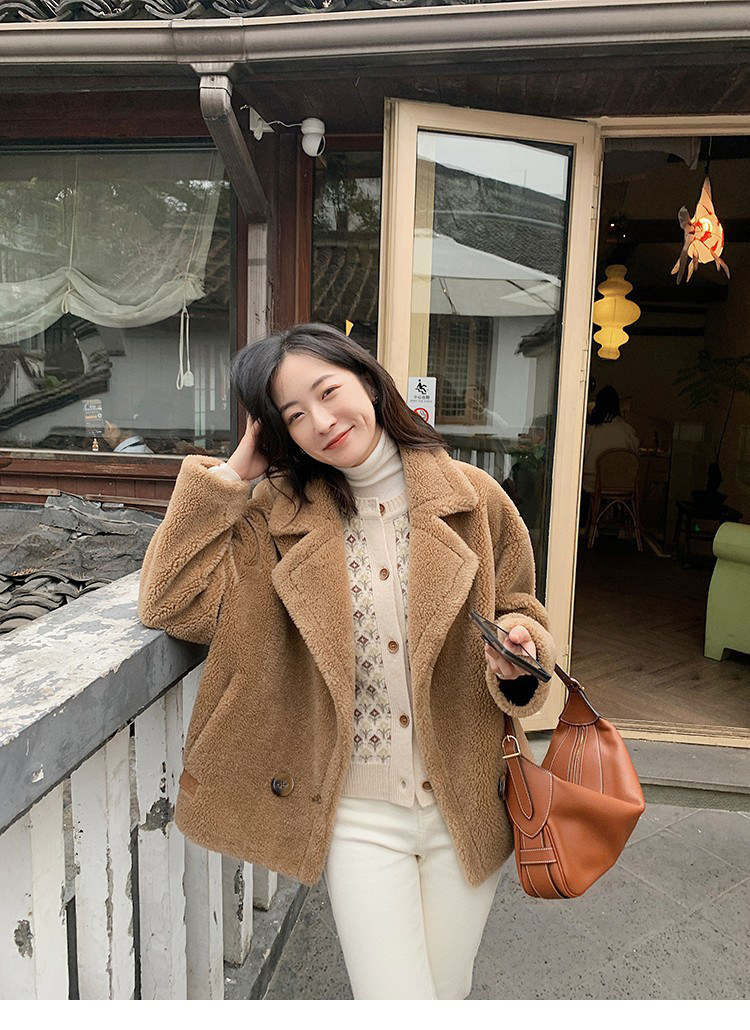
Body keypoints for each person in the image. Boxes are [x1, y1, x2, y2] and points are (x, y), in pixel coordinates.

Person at [138, 322, 557, 1000]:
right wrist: (231, 476)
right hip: (358, 815)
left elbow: (519, 605)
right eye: (293, 415)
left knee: (447, 994)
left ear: (367, 380)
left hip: (469, 801)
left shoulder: (474, 499)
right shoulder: (274, 519)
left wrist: (518, 649)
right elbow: (169, 599)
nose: (322, 421)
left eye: (328, 391)